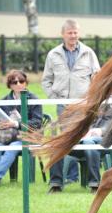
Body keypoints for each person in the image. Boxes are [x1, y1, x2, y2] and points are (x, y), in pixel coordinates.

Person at [42, 19, 100, 186]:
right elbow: (46, 81)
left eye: (75, 32)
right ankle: (57, 183)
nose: (73, 36)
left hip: (84, 106)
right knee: (66, 141)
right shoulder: (53, 55)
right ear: (63, 34)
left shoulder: (88, 53)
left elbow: (97, 78)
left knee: (84, 140)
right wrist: (55, 98)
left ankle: (85, 180)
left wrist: (91, 98)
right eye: (70, 33)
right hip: (63, 107)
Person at [47, 101, 112, 193]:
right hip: (81, 142)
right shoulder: (87, 107)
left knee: (88, 142)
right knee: (58, 145)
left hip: (103, 142)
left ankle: (94, 184)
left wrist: (101, 131)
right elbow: (75, 125)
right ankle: (56, 184)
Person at [0, 70, 42, 187]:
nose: (18, 84)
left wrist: (16, 124)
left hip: (27, 137)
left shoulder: (34, 99)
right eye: (14, 82)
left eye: (21, 81)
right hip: (6, 137)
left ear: (26, 83)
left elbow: (37, 123)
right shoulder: (4, 100)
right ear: (10, 85)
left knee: (13, 148)